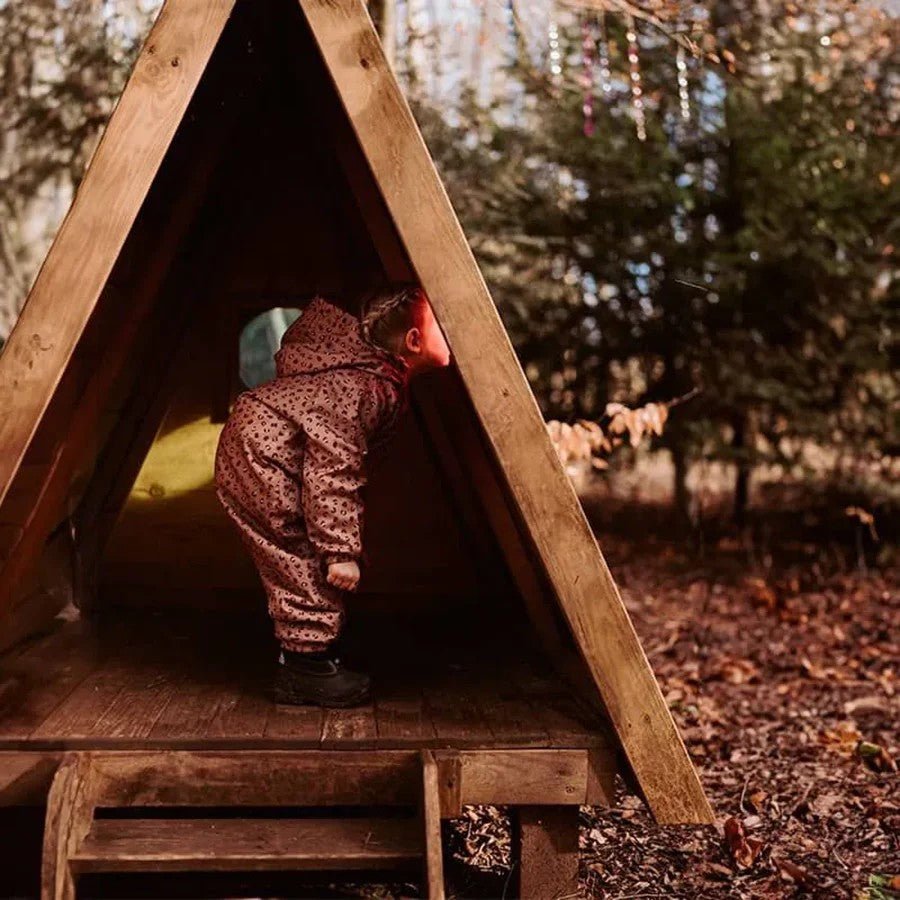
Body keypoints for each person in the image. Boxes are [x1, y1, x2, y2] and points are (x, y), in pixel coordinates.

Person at [214, 285, 451, 708]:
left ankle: (315, 656)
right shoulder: (361, 388)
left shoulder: (374, 380)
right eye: (440, 327)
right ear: (413, 342)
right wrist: (340, 550)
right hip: (261, 453)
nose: (452, 335)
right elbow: (333, 469)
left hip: (262, 444)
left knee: (302, 549)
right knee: (298, 551)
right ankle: (304, 670)